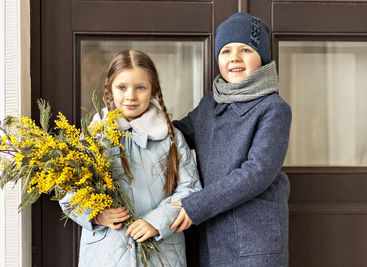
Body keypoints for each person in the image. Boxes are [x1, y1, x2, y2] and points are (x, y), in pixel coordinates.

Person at [170, 12, 292, 267]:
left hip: (255, 239)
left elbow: (256, 172)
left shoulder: (273, 108)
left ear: (263, 57)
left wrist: (197, 205)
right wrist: (131, 125)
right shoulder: (209, 104)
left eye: (245, 49)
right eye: (225, 51)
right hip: (212, 235)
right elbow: (174, 136)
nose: (234, 57)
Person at [60, 49, 202, 267]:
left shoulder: (170, 137)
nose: (131, 96)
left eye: (141, 88)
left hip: (162, 256)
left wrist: (156, 222)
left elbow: (191, 189)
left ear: (153, 90)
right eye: (122, 87)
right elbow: (67, 191)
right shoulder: (93, 136)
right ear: (109, 89)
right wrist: (96, 215)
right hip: (105, 255)